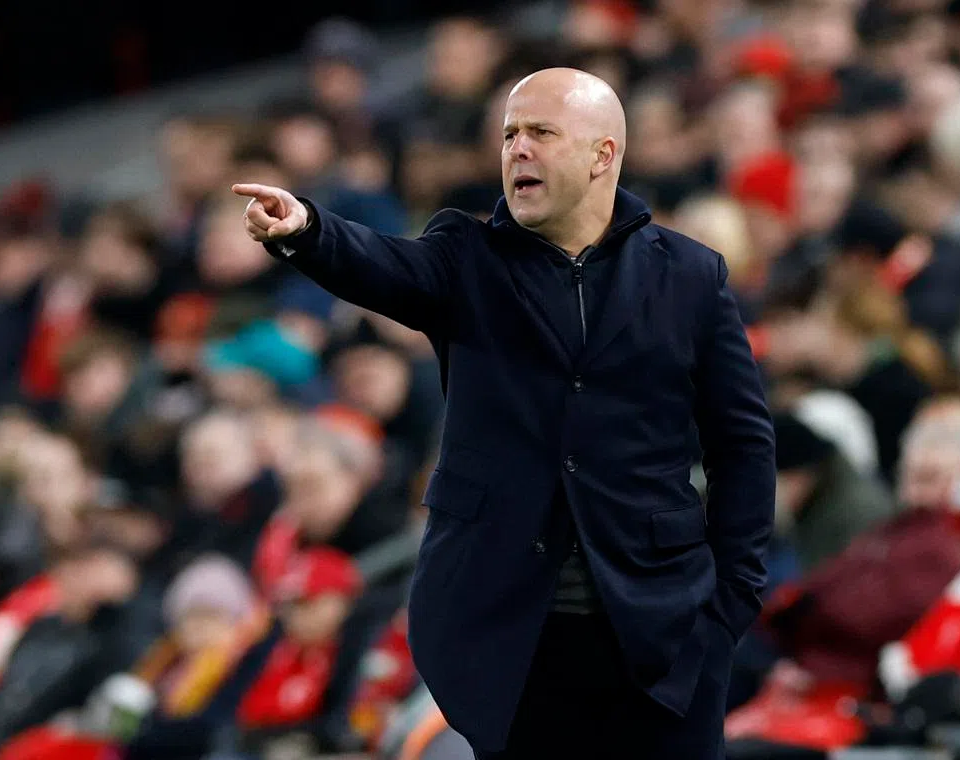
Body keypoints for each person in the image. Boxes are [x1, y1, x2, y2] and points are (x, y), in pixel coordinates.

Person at [234, 67, 776, 759]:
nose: (518, 149)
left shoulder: (691, 275)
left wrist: (731, 600)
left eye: (541, 132)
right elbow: (382, 265)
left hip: (660, 633)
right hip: (511, 637)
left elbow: (743, 445)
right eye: (510, 134)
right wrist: (306, 230)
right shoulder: (466, 256)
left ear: (602, 154)